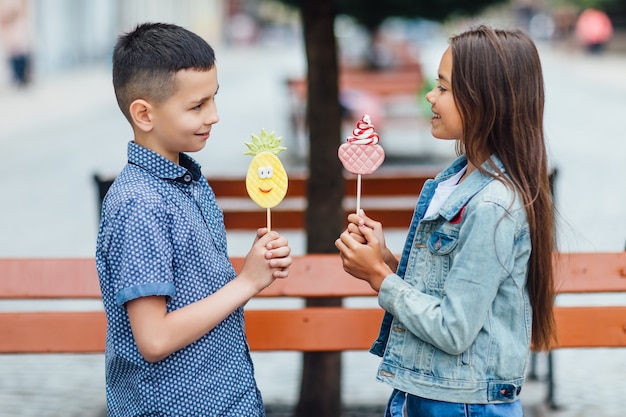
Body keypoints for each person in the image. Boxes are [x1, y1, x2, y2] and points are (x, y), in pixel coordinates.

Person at [335, 25, 556, 417]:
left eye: (442, 87)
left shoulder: (493, 204)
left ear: (485, 101)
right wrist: (386, 260)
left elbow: (454, 329)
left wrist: (380, 280)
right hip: (431, 393)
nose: (429, 96)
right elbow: (447, 290)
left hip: (461, 405)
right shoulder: (458, 180)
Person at [96, 22, 292, 417]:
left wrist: (255, 264)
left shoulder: (185, 180)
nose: (214, 116)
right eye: (197, 106)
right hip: (175, 405)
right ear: (144, 114)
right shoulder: (141, 204)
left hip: (226, 397)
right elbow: (154, 338)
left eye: (213, 99)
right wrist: (248, 281)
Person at [0, 0, 32, 86]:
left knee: (20, 48)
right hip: (8, 24)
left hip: (17, 21)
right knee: (13, 50)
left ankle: (23, 76)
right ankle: (18, 77)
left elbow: (23, 7)